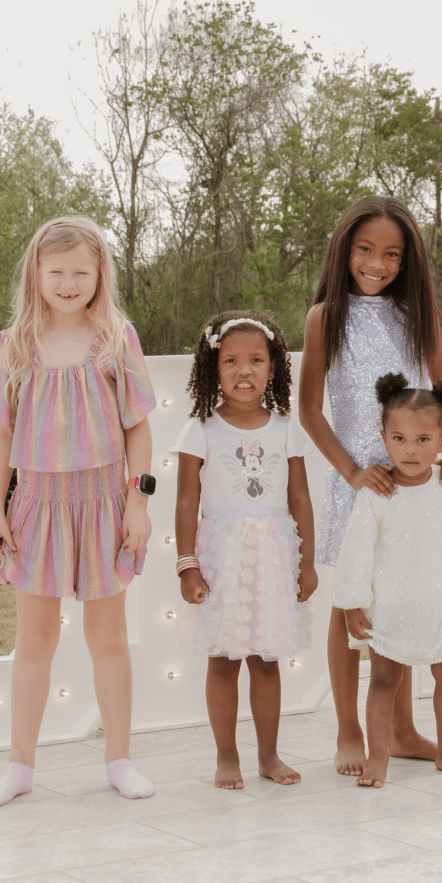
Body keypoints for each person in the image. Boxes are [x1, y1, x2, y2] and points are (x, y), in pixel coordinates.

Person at [0, 215, 158, 807]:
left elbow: (138, 430)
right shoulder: (15, 345)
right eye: (56, 271)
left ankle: (120, 759)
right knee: (33, 642)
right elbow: (1, 437)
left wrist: (138, 503)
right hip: (39, 504)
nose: (68, 282)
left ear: (100, 274)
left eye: (81, 271)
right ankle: (19, 767)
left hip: (105, 504)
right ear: (36, 273)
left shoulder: (115, 339)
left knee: (109, 640)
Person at [298, 195, 442, 777]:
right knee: (352, 603)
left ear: (407, 261)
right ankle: (348, 731)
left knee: (405, 596)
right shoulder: (326, 317)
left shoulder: (416, 319)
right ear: (345, 251)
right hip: (360, 481)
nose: (377, 263)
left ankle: (403, 730)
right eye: (365, 250)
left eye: (391, 254)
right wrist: (350, 472)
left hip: (414, 479)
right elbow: (310, 411)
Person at [174, 310, 319, 789]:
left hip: (273, 557)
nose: (244, 371)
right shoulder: (201, 429)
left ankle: (269, 755)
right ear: (213, 368)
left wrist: (308, 563)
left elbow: (300, 499)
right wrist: (188, 566)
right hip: (222, 557)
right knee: (224, 659)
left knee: (266, 659)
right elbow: (187, 501)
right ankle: (225, 756)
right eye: (231, 361)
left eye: (256, 360)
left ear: (273, 369)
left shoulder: (285, 428)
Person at [334, 374, 442, 788]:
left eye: (423, 439)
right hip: (390, 608)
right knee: (384, 680)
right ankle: (379, 757)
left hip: (440, 604)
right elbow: (355, 551)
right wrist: (353, 603)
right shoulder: (376, 492)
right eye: (400, 438)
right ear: (384, 437)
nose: (410, 449)